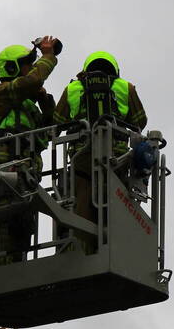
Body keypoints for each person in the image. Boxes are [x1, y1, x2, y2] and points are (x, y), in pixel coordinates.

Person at [53, 51, 147, 253]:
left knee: (81, 200)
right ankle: (116, 248)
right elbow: (140, 121)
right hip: (117, 156)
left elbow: (57, 121)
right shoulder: (125, 87)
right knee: (118, 199)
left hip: (82, 155)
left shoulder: (72, 88)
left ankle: (80, 249)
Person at [0, 36, 59, 264]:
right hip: (7, 171)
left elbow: (52, 128)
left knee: (23, 229)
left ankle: (14, 266)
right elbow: (30, 82)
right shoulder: (1, 93)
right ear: (12, 67)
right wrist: (48, 56)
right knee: (8, 226)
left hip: (27, 174)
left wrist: (44, 100)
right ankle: (2, 271)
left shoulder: (28, 105)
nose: (30, 70)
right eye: (27, 64)